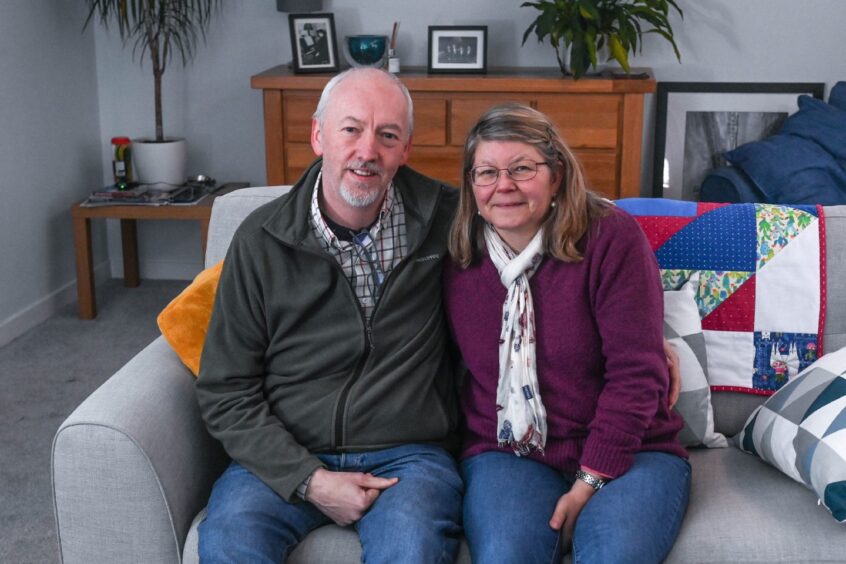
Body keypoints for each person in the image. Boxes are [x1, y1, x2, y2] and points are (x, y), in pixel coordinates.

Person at [194, 67, 463, 563]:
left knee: (414, 547)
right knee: (231, 538)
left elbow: (546, 233)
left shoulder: (451, 219)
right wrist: (309, 479)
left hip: (410, 453)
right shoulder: (261, 239)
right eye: (351, 129)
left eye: (387, 136)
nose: (368, 151)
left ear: (406, 149)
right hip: (287, 449)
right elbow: (225, 388)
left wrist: (648, 337)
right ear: (318, 135)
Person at [443, 103, 691, 563]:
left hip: (634, 451)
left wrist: (589, 481)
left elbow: (636, 375)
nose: (504, 186)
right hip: (506, 452)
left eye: (522, 168)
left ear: (556, 174)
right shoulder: (456, 253)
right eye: (487, 173)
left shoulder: (610, 239)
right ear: (470, 184)